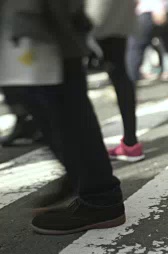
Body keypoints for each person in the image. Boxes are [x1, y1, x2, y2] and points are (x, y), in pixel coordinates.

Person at [1, 0, 126, 235]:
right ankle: (87, 184)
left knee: (60, 98)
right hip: (35, 16)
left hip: (45, 17)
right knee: (42, 97)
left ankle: (99, 196)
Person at [85, 0, 144, 162]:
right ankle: (130, 142)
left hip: (95, 13)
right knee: (120, 74)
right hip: (119, 12)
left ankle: (88, 148)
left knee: (72, 79)